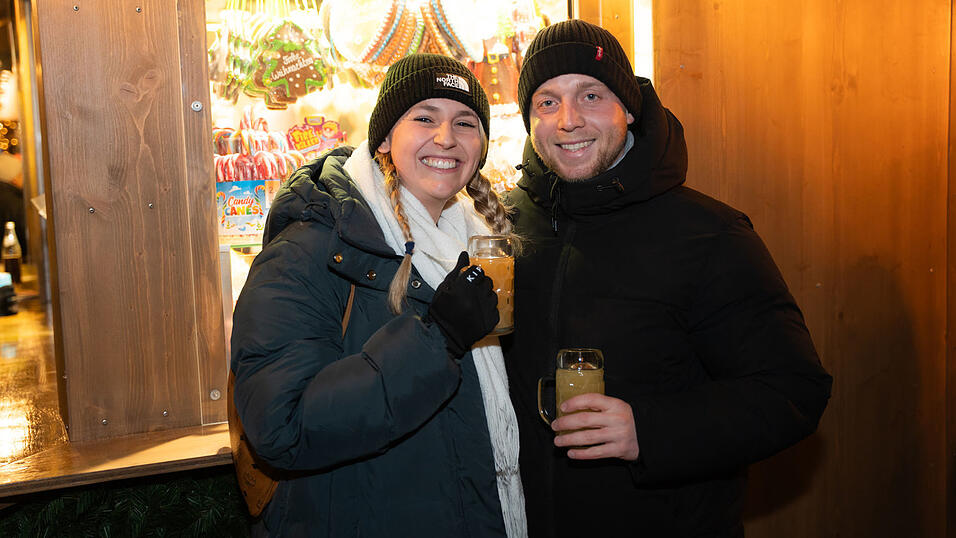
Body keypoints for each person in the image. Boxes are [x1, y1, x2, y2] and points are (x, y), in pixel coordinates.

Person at [501, 19, 833, 537]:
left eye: (590, 95)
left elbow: (793, 391)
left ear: (628, 109)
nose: (568, 120)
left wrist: (648, 431)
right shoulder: (503, 225)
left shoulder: (709, 233)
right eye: (546, 102)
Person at [231, 53, 526, 537]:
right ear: (385, 138)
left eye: (465, 122)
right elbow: (282, 427)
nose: (446, 137)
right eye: (424, 118)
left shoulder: (473, 242)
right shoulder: (309, 250)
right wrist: (438, 341)